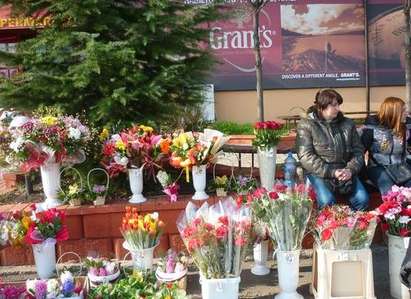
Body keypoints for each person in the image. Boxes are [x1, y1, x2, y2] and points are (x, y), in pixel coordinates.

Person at [296, 89, 369, 210]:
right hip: (319, 172)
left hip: (345, 170)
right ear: (322, 107)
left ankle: (354, 226)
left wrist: (350, 170)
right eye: (334, 105)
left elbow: (358, 151)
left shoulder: (348, 124)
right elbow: (305, 156)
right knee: (327, 202)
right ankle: (327, 227)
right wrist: (332, 172)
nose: (338, 108)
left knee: (362, 199)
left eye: (338, 105)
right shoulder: (307, 125)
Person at [361, 97, 411, 195]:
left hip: (401, 166)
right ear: (394, 112)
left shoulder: (406, 127)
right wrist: (363, 175)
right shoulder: (371, 129)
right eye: (404, 110)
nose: (407, 113)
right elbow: (360, 152)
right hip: (378, 167)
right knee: (390, 192)